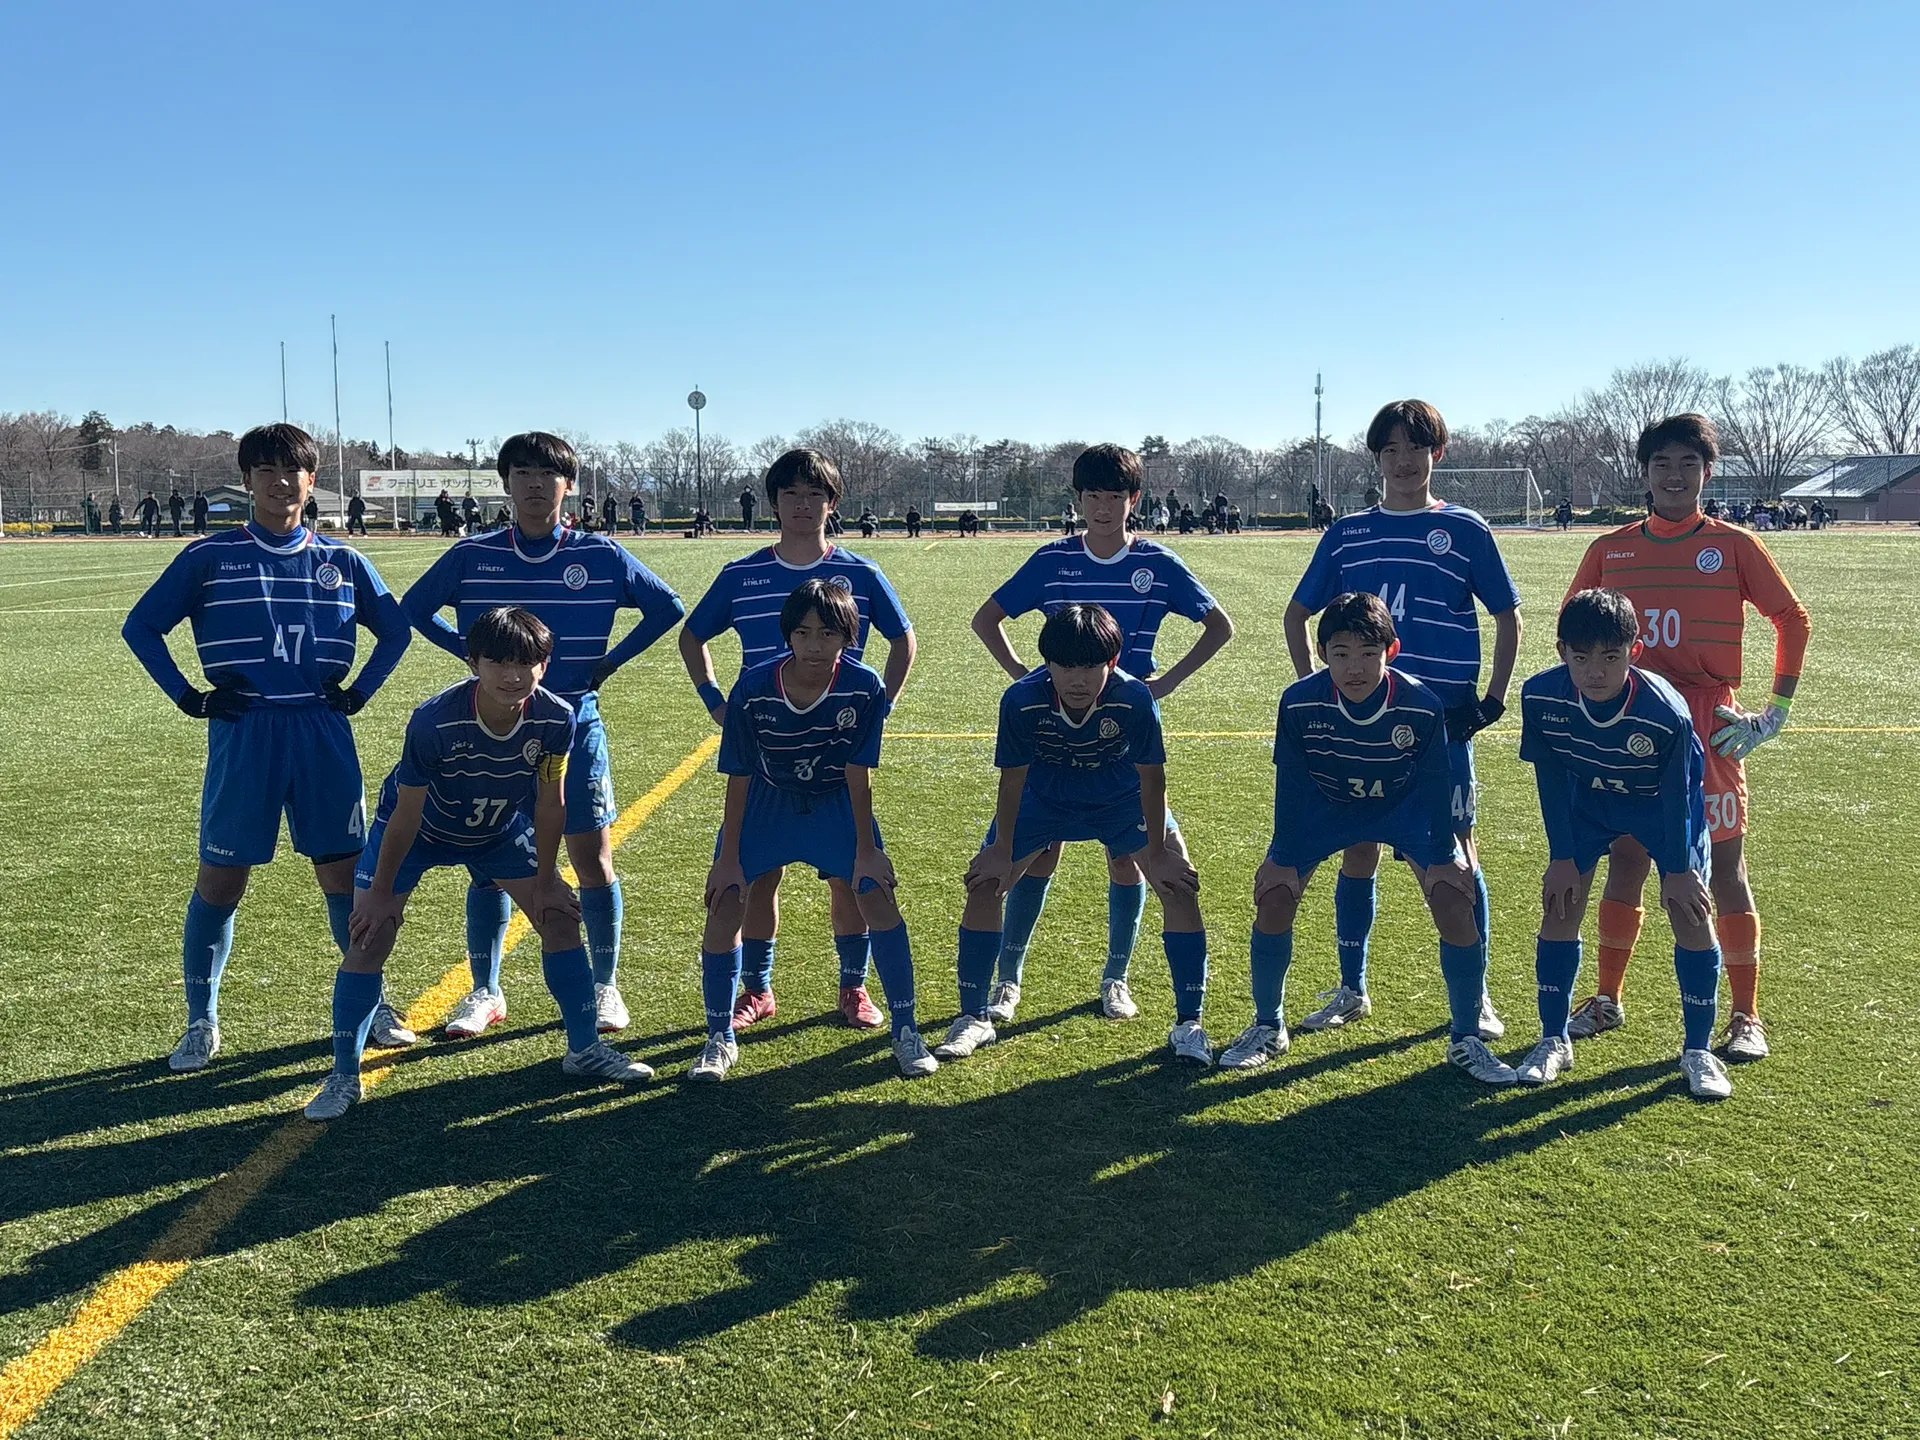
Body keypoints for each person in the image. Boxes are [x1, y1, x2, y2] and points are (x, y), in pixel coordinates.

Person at [121, 423, 413, 1072]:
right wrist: (188, 697)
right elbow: (140, 626)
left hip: (321, 731)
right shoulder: (209, 557)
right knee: (222, 879)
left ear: (312, 480)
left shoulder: (342, 561)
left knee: (344, 877)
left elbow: (395, 631)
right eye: (266, 471)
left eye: (292, 471)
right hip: (245, 731)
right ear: (248, 479)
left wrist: (360, 691)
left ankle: (372, 1005)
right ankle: (201, 1021)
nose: (281, 482)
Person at [304, 606, 651, 1120]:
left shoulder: (557, 717)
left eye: (526, 663)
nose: (513, 676)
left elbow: (549, 802)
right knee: (369, 937)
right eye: (498, 663)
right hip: (419, 833)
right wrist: (379, 893)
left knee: (558, 917)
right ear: (474, 663)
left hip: (497, 832)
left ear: (545, 664)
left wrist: (547, 877)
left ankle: (584, 1050)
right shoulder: (434, 720)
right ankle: (343, 1077)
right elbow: (405, 814)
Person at [402, 431, 686, 1040]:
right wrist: (470, 655)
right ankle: (485, 990)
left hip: (573, 723)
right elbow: (412, 608)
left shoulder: (601, 554)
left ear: (568, 484)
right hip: (490, 732)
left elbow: (668, 607)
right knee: (488, 863)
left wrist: (608, 663)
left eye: (548, 474)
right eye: (523, 473)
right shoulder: (471, 556)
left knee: (591, 857)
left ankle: (605, 984)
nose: (535, 484)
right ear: (506, 482)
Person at [1561, 413, 1810, 1063]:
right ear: (1644, 472)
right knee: (1627, 857)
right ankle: (1607, 998)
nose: (1675, 476)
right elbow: (1571, 629)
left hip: (1707, 720)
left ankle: (1745, 1014)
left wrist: (1774, 712)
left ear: (1707, 471)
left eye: (1688, 464)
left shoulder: (1734, 545)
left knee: (1724, 868)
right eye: (1662, 464)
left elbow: (1791, 618)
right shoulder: (1610, 549)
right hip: (1631, 720)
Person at [969, 442, 1234, 1022]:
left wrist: (1166, 684)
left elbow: (1219, 625)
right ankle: (1007, 981)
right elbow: (986, 619)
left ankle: (1116, 977)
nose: (1104, 507)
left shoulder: (1157, 563)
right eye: (1093, 496)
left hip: (1123, 735)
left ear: (1134, 499)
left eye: (1116, 496)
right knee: (1038, 855)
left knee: (1126, 860)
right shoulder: (1052, 560)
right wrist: (1024, 676)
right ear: (1079, 498)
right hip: (1052, 736)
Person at [1282, 399, 1519, 1041]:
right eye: (1391, 450)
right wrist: (1314, 691)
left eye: (1416, 448)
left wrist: (1493, 699)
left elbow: (1507, 615)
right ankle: (1351, 987)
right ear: (1377, 458)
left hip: (1440, 725)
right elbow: (1297, 615)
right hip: (1358, 727)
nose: (1404, 460)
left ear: (1436, 453)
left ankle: (1478, 994)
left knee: (1458, 854)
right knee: (1357, 849)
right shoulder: (1348, 533)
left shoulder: (1465, 529)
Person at [1219, 592, 1514, 1083]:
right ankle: (1269, 1025)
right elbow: (1290, 783)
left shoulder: (1421, 704)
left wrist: (1444, 854)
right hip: (1327, 805)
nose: (1354, 667)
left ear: (1390, 651)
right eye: (1340, 653)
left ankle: (1466, 1037)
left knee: (1451, 896)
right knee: (1275, 895)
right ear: (1321, 653)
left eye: (1368, 653)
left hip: (1403, 807)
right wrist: (1282, 855)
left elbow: (1435, 784)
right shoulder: (1298, 702)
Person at [679, 447, 916, 1032]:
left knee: (849, 879)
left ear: (833, 503)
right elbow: (693, 636)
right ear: (774, 503)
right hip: (765, 760)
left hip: (836, 763)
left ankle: (853, 986)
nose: (803, 505)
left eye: (815, 495)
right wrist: (716, 702)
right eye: (791, 494)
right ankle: (757, 989)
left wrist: (878, 710)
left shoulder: (861, 574)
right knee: (758, 878)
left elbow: (903, 640)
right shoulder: (742, 574)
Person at [936, 603, 1213, 1065]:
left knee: (1178, 885)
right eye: (1065, 666)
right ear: (1047, 662)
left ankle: (1189, 1024)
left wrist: (1161, 850)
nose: (1077, 679)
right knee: (985, 883)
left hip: (1120, 797)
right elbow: (1012, 779)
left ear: (1113, 660)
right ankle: (974, 1016)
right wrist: (1000, 849)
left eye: (1089, 666)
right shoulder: (1021, 699)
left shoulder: (1134, 697)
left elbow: (1152, 778)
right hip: (1044, 798)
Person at [694, 579, 935, 1082]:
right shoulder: (754, 687)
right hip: (767, 799)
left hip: (834, 800)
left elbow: (858, 772)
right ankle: (719, 1037)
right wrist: (728, 857)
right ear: (787, 635)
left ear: (848, 636)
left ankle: (905, 1029)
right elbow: (738, 774)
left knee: (872, 891)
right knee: (728, 898)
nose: (814, 645)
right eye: (802, 633)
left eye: (828, 633)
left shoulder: (865, 686)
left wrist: (867, 849)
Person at [1516, 587, 1730, 1099]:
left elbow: (1679, 795)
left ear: (1634, 651)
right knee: (1560, 904)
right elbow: (1550, 777)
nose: (1595, 671)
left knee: (1690, 911)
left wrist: (1677, 869)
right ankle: (1553, 1039)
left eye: (1610, 657)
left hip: (1659, 807)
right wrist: (1561, 857)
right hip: (1587, 804)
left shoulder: (1665, 712)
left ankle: (1697, 1050)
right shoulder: (1540, 695)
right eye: (1581, 657)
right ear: (1561, 650)